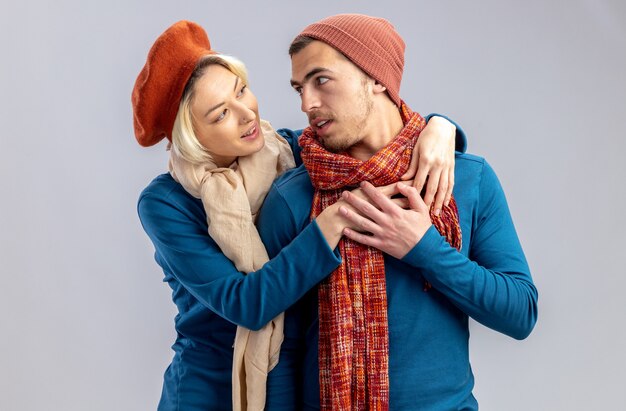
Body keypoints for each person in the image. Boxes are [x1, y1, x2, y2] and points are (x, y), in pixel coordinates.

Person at [132, 21, 466, 411]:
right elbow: (247, 304)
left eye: (241, 91)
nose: (247, 114)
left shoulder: (288, 151)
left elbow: (375, 138)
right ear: (191, 136)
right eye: (221, 114)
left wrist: (442, 128)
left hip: (291, 380)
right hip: (212, 389)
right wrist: (332, 221)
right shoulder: (165, 202)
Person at [257, 14, 539, 410]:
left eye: (321, 80)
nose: (307, 104)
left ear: (375, 77)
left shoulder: (467, 180)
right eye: (299, 88)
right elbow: (282, 347)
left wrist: (425, 249)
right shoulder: (293, 199)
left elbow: (520, 312)